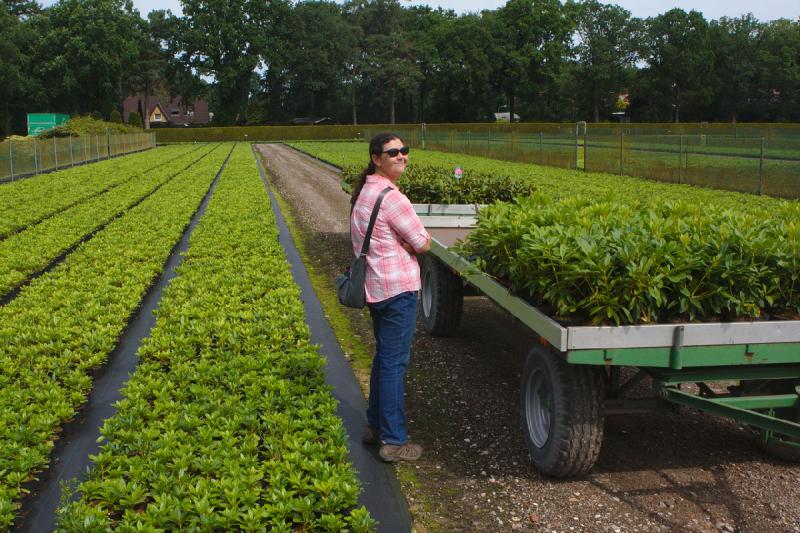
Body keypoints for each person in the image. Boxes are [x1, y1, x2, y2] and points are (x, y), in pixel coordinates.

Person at [350, 132, 431, 462]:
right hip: (397, 290)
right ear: (376, 158)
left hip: (375, 287)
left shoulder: (366, 192)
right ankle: (394, 441)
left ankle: (373, 427)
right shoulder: (393, 198)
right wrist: (411, 244)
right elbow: (423, 242)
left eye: (404, 151)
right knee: (394, 365)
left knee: (384, 358)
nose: (402, 156)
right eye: (393, 152)